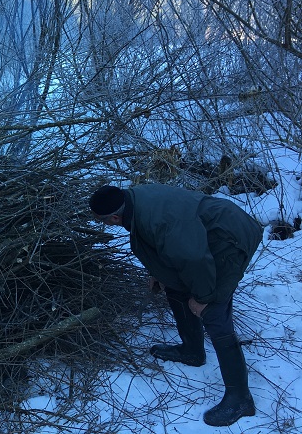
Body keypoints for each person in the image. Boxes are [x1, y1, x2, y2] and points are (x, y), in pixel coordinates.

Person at [88, 183, 262, 427]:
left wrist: (203, 298)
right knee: (175, 288)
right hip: (202, 235)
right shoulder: (134, 202)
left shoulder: (157, 220)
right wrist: (158, 271)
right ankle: (192, 351)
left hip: (229, 237)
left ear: (115, 217)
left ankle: (241, 400)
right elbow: (168, 244)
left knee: (214, 312)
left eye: (103, 221)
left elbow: (194, 258)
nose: (105, 224)